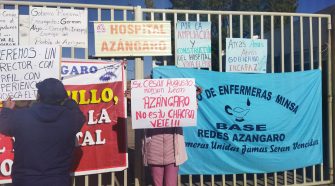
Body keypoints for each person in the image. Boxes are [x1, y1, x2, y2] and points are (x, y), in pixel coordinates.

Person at [0, 78, 85, 186]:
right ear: (62, 97)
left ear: (39, 96)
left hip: (26, 180)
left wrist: (7, 109)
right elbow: (79, 115)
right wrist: (68, 101)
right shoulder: (70, 118)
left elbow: (3, 125)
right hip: (58, 180)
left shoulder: (22, 116)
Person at [126, 85, 202, 186]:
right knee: (156, 183)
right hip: (154, 152)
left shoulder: (176, 106)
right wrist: (134, 99)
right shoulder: (149, 107)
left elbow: (191, 109)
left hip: (173, 153)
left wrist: (191, 95)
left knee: (170, 183)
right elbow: (139, 112)